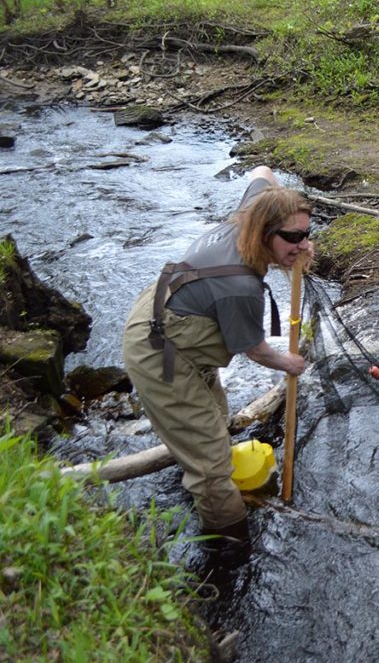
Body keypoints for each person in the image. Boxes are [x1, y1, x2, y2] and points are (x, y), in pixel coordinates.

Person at [122, 166, 310, 545]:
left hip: (176, 323)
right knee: (211, 470)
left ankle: (194, 451)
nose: (303, 245)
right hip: (160, 353)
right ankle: (228, 549)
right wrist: (291, 363)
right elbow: (253, 349)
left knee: (214, 422)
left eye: (307, 233)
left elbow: (262, 171)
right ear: (264, 232)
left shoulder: (254, 209)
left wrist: (293, 229)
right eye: (292, 237)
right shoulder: (241, 287)